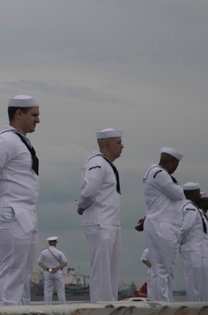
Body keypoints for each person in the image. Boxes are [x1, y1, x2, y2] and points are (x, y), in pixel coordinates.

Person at [0, 94, 40, 305]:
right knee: (12, 270)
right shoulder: (7, 140)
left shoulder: (21, 141)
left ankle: (21, 309)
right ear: (18, 113)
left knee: (22, 273)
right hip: (11, 210)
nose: (37, 120)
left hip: (25, 211)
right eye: (34, 115)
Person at [77, 128, 124, 302]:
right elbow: (89, 191)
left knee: (110, 274)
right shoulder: (97, 163)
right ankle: (100, 308)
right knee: (102, 273)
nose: (122, 146)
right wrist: (81, 206)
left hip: (110, 223)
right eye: (119, 143)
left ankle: (109, 306)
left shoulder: (106, 164)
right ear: (108, 145)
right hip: (100, 223)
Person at [143, 147, 185, 301]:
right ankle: (163, 303)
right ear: (173, 162)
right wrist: (179, 188)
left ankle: (164, 301)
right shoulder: (158, 173)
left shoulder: (161, 174)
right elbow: (178, 194)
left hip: (166, 223)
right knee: (162, 268)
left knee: (166, 268)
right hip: (162, 224)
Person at [179, 183, 207, 301]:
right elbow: (185, 228)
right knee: (194, 281)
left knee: (201, 282)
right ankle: (194, 307)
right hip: (192, 249)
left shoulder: (196, 209)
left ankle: (201, 305)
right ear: (192, 193)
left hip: (198, 249)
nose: (199, 195)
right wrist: (178, 242)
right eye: (197, 192)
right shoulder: (189, 208)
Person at [37, 237, 68, 305]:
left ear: (49, 243)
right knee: (60, 290)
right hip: (58, 272)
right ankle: (62, 305)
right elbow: (65, 263)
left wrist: (48, 269)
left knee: (47, 290)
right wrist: (56, 268)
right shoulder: (59, 252)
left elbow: (40, 263)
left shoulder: (44, 252)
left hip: (48, 273)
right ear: (55, 243)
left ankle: (47, 305)